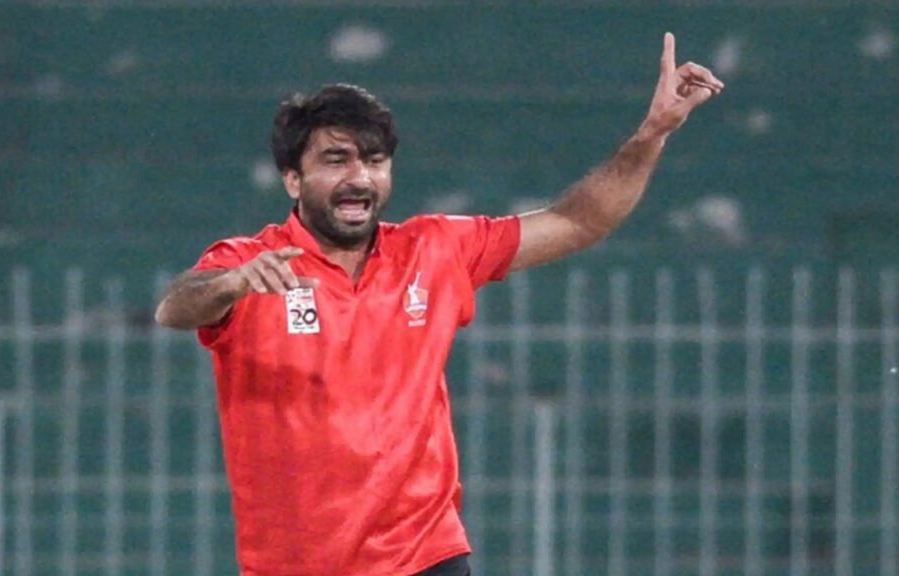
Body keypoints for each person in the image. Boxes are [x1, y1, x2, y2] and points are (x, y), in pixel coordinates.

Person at [154, 32, 723, 576]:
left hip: (424, 556)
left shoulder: (434, 248)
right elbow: (175, 307)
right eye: (335, 160)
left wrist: (652, 133)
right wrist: (234, 284)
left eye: (375, 160)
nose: (359, 178)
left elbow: (577, 221)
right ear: (292, 180)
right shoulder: (250, 261)